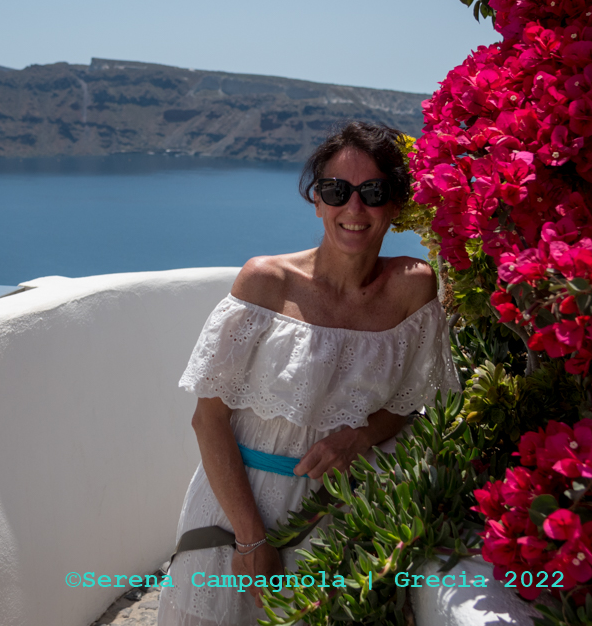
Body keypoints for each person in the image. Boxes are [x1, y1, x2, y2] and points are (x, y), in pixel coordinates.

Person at [156, 121, 459, 626]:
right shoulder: (266, 283)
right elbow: (207, 420)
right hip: (237, 511)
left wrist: (360, 436)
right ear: (317, 200)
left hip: (344, 516)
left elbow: (408, 404)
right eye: (337, 191)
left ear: (396, 205)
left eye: (373, 192)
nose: (353, 208)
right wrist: (251, 539)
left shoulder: (412, 289)